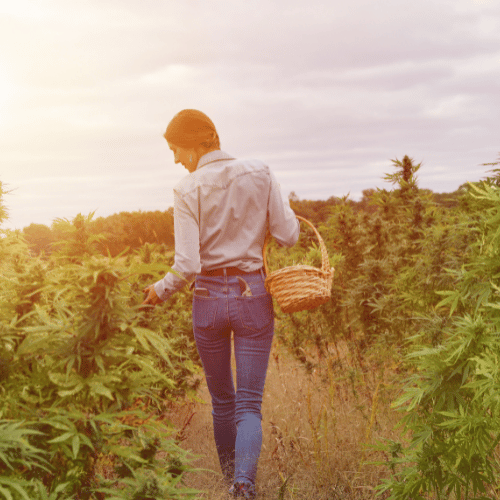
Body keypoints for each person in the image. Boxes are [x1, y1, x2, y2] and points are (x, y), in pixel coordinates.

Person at [142, 109, 299, 498]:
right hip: (253, 297)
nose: (176, 158)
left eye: (177, 149)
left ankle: (231, 479)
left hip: (208, 300)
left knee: (222, 402)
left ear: (200, 142)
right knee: (249, 405)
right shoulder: (260, 172)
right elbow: (287, 235)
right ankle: (243, 487)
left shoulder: (187, 188)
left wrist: (160, 290)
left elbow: (188, 264)